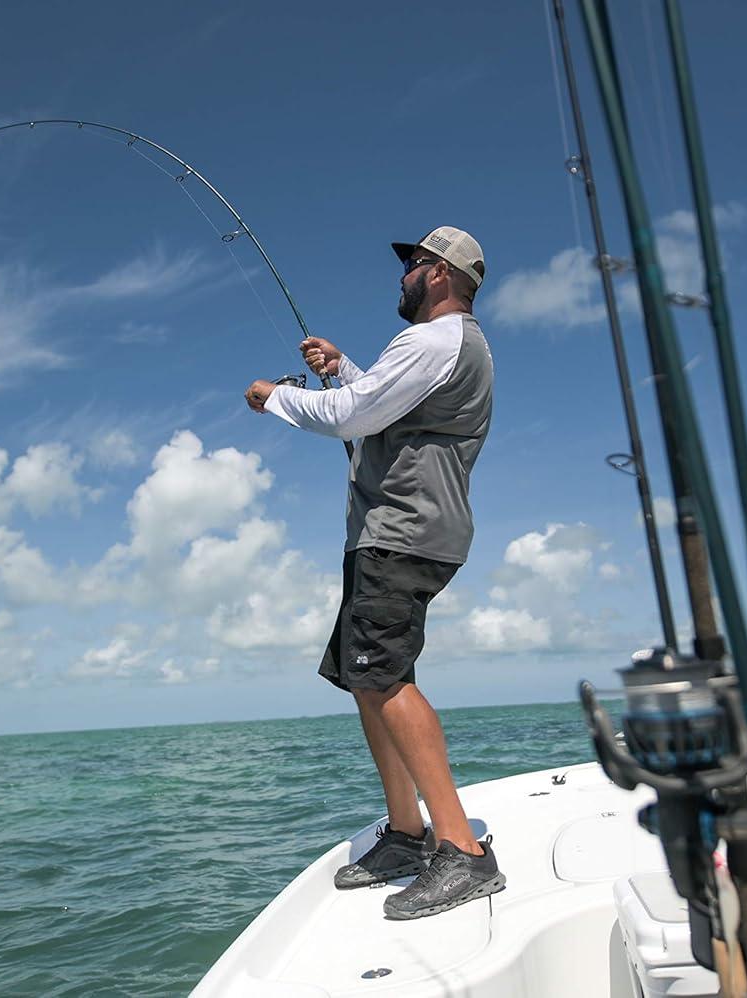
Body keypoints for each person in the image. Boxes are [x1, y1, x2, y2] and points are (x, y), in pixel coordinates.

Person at [243, 225, 502, 920]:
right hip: (398, 532)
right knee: (368, 678)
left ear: (440, 273)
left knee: (384, 679)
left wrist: (275, 397)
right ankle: (407, 834)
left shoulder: (432, 340)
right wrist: (343, 366)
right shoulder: (447, 347)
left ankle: (463, 852)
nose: (403, 276)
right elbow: (384, 404)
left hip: (403, 530)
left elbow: (355, 416)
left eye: (412, 264)